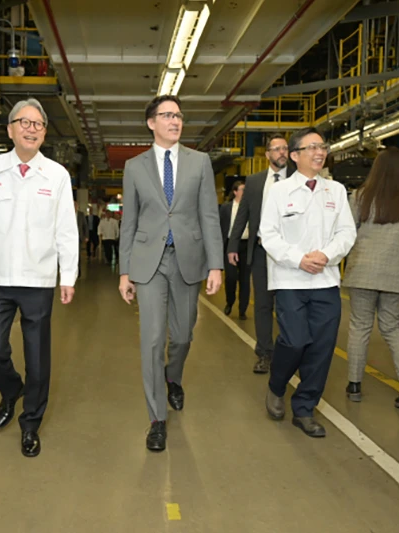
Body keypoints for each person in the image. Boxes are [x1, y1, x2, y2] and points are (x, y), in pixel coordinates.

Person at [0, 98, 78, 457]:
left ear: (44, 133)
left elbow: (66, 231)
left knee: (38, 358)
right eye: (24, 122)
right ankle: (11, 390)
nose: (31, 128)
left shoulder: (56, 176)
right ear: (10, 130)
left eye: (38, 124)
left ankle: (30, 423)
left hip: (38, 280)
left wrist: (67, 276)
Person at [118, 95, 223, 452]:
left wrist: (216, 264)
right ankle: (157, 419)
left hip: (188, 259)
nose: (175, 121)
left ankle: (172, 376)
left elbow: (209, 215)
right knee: (151, 340)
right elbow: (128, 222)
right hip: (149, 262)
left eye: (178, 116)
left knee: (182, 336)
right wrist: (124, 271)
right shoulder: (134, 167)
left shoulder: (200, 162)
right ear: (151, 123)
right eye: (167, 115)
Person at [259, 127, 356, 438]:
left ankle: (304, 409)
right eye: (311, 147)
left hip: (325, 280)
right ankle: (277, 384)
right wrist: (299, 258)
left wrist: (326, 256)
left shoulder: (336, 191)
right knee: (295, 340)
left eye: (322, 147)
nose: (319, 152)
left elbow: (347, 233)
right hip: (289, 280)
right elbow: (268, 235)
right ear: (295, 155)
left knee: (321, 349)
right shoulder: (279, 192)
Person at [342, 147, 399, 409]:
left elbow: (347, 234)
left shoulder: (360, 196)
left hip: (362, 271)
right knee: (392, 327)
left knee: (360, 327)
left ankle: (355, 385)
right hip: (398, 273)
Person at [228, 133, 290, 373]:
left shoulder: (298, 178)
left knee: (287, 305)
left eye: (285, 148)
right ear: (267, 155)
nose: (281, 153)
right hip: (262, 251)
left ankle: (288, 353)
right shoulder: (254, 182)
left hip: (290, 255)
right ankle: (264, 353)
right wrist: (233, 246)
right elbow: (242, 214)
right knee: (263, 305)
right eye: (276, 149)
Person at [219, 181, 250, 319]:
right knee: (231, 278)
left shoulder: (251, 207)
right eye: (242, 189)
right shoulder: (226, 208)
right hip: (231, 245)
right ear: (235, 192)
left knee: (245, 280)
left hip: (246, 246)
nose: (245, 192)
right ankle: (229, 301)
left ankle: (242, 309)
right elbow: (220, 227)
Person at [76, 201, 88, 277]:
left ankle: (78, 271)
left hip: (78, 237)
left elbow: (85, 226)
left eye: (75, 205)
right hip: (69, 238)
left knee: (78, 255)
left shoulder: (81, 214)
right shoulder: (67, 213)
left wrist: (86, 236)